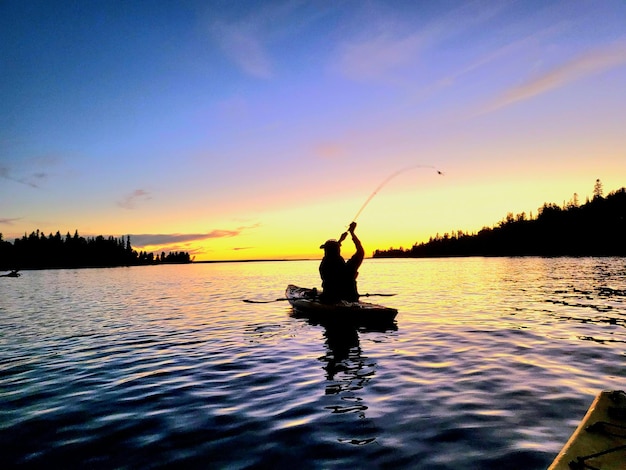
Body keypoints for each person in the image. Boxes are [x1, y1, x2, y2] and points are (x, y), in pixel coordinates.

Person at [319, 222, 364, 303]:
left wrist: (340, 241)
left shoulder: (324, 265)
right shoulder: (349, 268)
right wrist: (352, 233)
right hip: (351, 299)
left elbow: (331, 255)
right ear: (338, 250)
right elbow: (360, 251)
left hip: (330, 299)